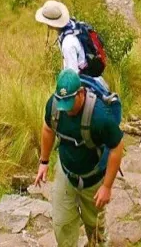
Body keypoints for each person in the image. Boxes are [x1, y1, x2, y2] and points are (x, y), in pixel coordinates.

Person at [34, 69, 124, 247]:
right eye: (62, 103)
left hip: (93, 179)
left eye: (69, 103)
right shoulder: (54, 106)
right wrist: (44, 162)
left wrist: (107, 186)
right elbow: (47, 128)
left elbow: (117, 147)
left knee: (94, 225)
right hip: (66, 172)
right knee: (61, 224)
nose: (66, 110)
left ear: (81, 93)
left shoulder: (100, 117)